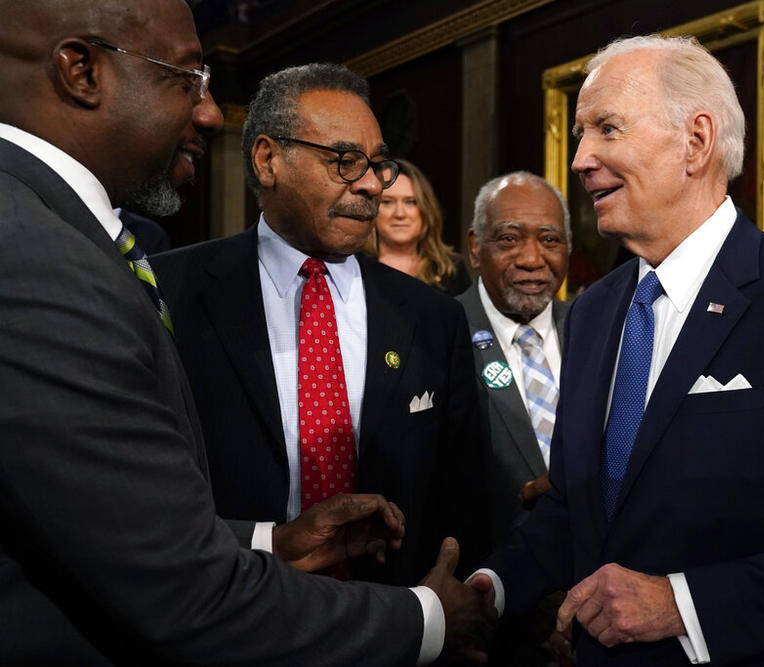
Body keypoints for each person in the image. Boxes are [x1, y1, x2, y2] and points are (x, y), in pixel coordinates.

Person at [0, 1, 487, 663]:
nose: (206, 111)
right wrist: (427, 618)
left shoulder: (431, 315)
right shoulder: (45, 260)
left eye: (378, 163)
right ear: (81, 71)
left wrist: (272, 541)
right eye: (186, 79)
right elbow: (182, 584)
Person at [467, 34, 764, 666]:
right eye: (581, 135)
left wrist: (682, 606)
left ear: (696, 141)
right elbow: (578, 506)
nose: (580, 159)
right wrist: (489, 589)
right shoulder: (593, 313)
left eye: (606, 128)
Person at [152, 63, 488, 587]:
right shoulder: (167, 291)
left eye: (379, 165)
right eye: (347, 161)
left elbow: (463, 492)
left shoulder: (432, 317)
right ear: (269, 161)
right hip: (228, 613)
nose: (373, 185)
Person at [457, 171, 573, 665]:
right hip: (488, 622)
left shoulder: (603, 328)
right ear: (474, 247)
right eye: (509, 239)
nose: (532, 259)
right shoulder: (437, 333)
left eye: (550, 240)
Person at [365, 158, 471, 295]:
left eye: (410, 202)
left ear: (426, 209)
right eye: (387, 202)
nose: (399, 214)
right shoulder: (355, 266)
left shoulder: (452, 270)